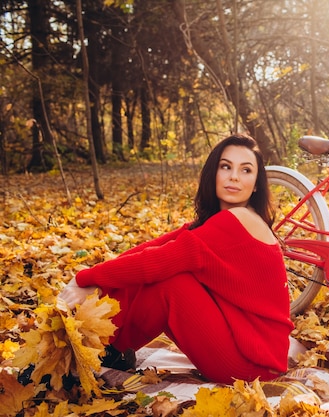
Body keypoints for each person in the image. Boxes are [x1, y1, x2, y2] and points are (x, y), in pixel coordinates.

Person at [58, 133, 294, 383]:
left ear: (256, 183)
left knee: (170, 282)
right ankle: (112, 347)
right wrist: (89, 280)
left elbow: (158, 261)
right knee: (154, 270)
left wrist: (85, 278)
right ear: (213, 173)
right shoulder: (217, 222)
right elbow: (150, 248)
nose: (234, 176)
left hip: (252, 367)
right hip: (247, 351)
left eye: (246, 170)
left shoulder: (239, 219)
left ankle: (110, 349)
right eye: (226, 167)